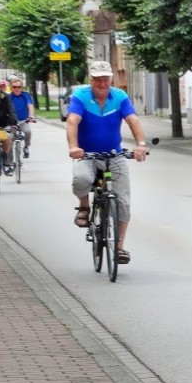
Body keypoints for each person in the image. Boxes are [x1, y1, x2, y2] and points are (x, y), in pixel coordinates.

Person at [67, 61, 149, 264]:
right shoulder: (81, 96)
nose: (102, 83)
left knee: (123, 201)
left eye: (106, 79)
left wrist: (141, 143)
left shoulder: (120, 97)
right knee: (81, 178)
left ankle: (119, 247)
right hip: (87, 155)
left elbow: (133, 120)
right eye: (98, 79)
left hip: (114, 155)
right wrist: (73, 147)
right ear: (91, 80)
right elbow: (72, 121)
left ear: (110, 79)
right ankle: (84, 206)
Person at [8, 75, 35, 158]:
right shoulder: (9, 97)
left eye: (19, 87)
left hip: (23, 120)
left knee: (27, 132)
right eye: (15, 87)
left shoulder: (25, 95)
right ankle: (9, 159)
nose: (17, 89)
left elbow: (30, 105)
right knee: (9, 138)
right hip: (12, 121)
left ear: (21, 87)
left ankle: (26, 147)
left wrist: (31, 116)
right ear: (11, 88)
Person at [0, 84, 17, 174]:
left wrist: (13, 119)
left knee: (8, 137)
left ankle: (6, 159)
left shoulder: (5, 96)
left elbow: (11, 108)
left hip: (3, 124)